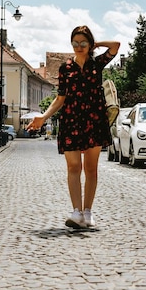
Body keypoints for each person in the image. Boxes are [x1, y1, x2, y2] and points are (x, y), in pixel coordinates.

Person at [27, 25, 120, 229]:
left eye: (83, 43)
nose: (78, 46)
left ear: (89, 44)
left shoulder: (97, 64)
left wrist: (98, 44)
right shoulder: (65, 68)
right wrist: (43, 117)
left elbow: (116, 46)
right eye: (75, 43)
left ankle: (87, 212)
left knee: (91, 169)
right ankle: (76, 212)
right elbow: (60, 99)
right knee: (73, 167)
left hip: (94, 120)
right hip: (71, 121)